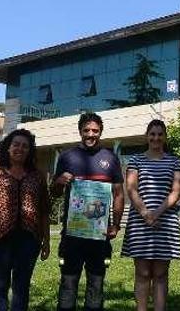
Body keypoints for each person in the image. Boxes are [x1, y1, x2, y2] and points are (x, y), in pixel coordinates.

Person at [52, 112, 125, 311]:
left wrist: (116, 225)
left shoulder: (110, 158)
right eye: (87, 130)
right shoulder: (67, 156)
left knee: (96, 285)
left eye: (95, 130)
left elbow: (119, 194)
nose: (91, 134)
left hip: (99, 234)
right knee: (68, 283)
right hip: (73, 233)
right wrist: (58, 181)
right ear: (80, 131)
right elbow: (55, 192)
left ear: (101, 132)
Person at [0, 129, 50, 311]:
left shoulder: (37, 177)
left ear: (30, 150)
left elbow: (44, 211)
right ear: (7, 148)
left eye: (25, 146)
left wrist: (46, 241)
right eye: (16, 144)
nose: (20, 149)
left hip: (29, 239)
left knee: (22, 288)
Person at [122, 119, 180, 311]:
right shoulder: (135, 160)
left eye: (160, 134)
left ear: (165, 137)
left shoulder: (174, 161)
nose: (156, 137)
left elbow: (176, 191)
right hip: (140, 222)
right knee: (142, 272)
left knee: (160, 273)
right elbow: (131, 189)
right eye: (152, 134)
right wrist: (145, 213)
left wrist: (156, 213)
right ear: (147, 136)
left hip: (165, 222)